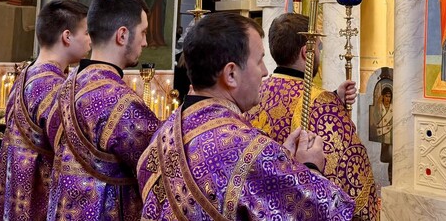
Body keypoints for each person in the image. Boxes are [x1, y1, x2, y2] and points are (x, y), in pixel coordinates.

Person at [137, 13, 354, 220]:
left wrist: (281, 160)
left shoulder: (161, 136)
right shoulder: (247, 149)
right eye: (259, 61)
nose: (265, 71)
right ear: (231, 74)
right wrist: (310, 167)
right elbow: (332, 210)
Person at [245, 12, 379, 220]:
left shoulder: (255, 93)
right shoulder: (321, 103)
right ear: (306, 52)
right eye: (318, 48)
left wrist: (334, 98)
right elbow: (352, 173)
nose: (318, 53)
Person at [47, 0, 160, 220]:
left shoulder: (68, 84)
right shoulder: (119, 100)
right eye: (143, 33)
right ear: (122, 35)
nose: (145, 42)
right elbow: (160, 162)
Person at [0, 0, 90, 221]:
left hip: (15, 199)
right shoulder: (53, 87)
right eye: (86, 32)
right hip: (38, 202)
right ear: (67, 36)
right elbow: (73, 157)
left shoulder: (25, 77)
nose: (91, 40)